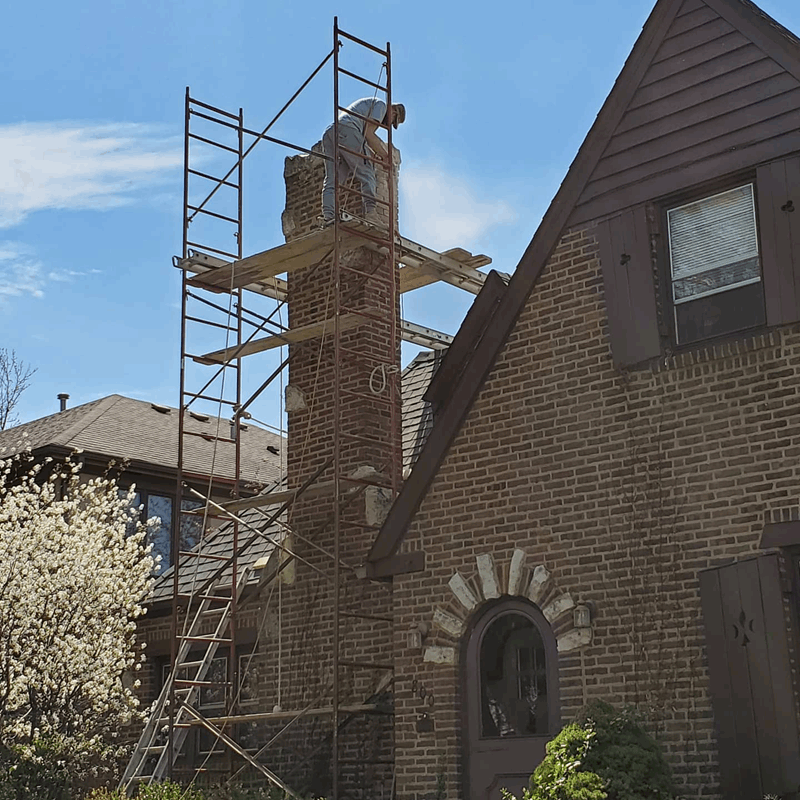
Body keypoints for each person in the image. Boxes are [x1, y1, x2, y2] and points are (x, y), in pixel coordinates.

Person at [320, 97, 405, 226]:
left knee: (334, 179)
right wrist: (386, 156)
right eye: (393, 121)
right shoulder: (381, 106)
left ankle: (329, 216)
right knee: (367, 172)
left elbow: (364, 137)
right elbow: (368, 133)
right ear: (393, 112)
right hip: (348, 130)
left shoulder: (369, 106)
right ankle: (371, 214)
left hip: (331, 132)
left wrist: (371, 152)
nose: (387, 125)